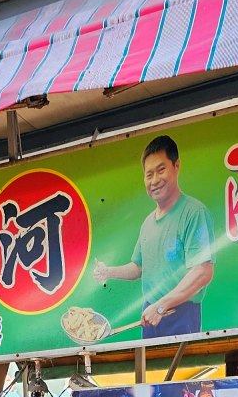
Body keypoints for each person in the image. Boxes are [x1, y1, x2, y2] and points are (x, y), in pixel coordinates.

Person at [92, 135, 215, 337]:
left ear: (176, 166)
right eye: (149, 175)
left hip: (180, 313)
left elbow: (203, 271)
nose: (155, 180)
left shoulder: (194, 212)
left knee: (182, 369)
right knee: (149, 369)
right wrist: (108, 271)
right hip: (150, 313)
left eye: (161, 170)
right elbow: (138, 267)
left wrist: (161, 306)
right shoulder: (148, 223)